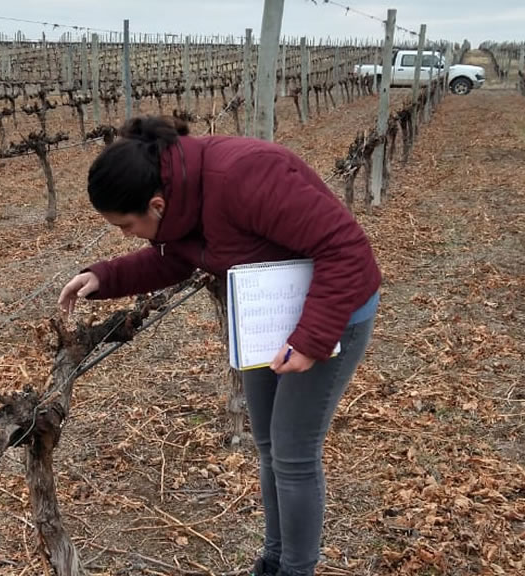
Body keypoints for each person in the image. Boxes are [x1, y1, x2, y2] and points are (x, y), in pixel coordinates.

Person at [58, 116, 381, 576]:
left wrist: (311, 340)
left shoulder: (244, 177)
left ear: (156, 203)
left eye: (126, 225)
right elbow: (177, 256)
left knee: (293, 453)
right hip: (267, 317)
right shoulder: (180, 199)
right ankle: (273, 560)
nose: (124, 234)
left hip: (333, 312)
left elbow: (346, 249)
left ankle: (296, 570)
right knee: (269, 446)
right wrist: (105, 276)